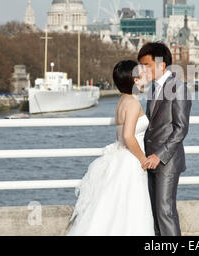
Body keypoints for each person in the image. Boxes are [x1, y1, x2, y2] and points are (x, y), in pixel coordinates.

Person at [66, 60, 155, 236]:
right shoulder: (134, 103)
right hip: (131, 160)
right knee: (131, 209)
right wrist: (143, 159)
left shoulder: (122, 101)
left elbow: (119, 135)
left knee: (113, 207)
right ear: (135, 80)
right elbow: (128, 136)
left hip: (120, 157)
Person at [138, 42, 192, 236]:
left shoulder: (179, 88)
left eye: (146, 65)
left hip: (166, 161)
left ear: (161, 65)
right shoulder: (154, 89)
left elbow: (181, 128)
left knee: (165, 212)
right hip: (149, 160)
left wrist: (158, 156)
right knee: (155, 214)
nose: (142, 70)